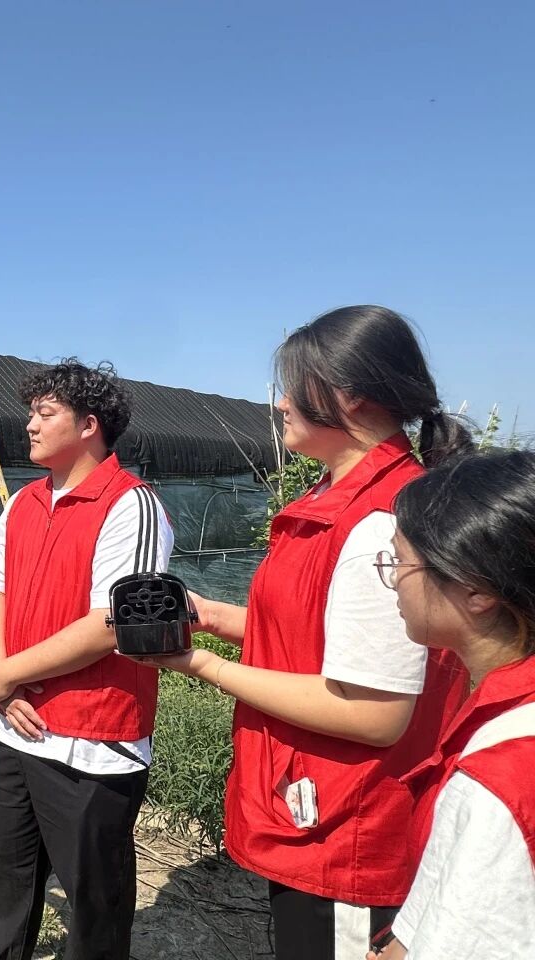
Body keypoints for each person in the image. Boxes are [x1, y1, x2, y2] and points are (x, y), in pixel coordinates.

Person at [128, 306, 474, 960]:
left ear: (352, 395)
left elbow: (373, 711)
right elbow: (307, 634)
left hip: (351, 826)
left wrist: (201, 664)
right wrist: (207, 614)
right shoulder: (332, 501)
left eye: (294, 387)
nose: (281, 403)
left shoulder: (380, 524)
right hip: (315, 805)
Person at [0, 359, 174, 960]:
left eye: (45, 413)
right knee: (5, 887)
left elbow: (112, 623)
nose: (30, 425)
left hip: (91, 742)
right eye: (31, 413)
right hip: (13, 726)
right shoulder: (24, 502)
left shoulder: (131, 506)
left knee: (93, 905)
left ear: (89, 425)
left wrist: (6, 674)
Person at [364, 450, 535, 959]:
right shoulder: (502, 711)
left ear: (476, 590)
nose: (393, 578)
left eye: (401, 561)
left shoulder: (499, 780)